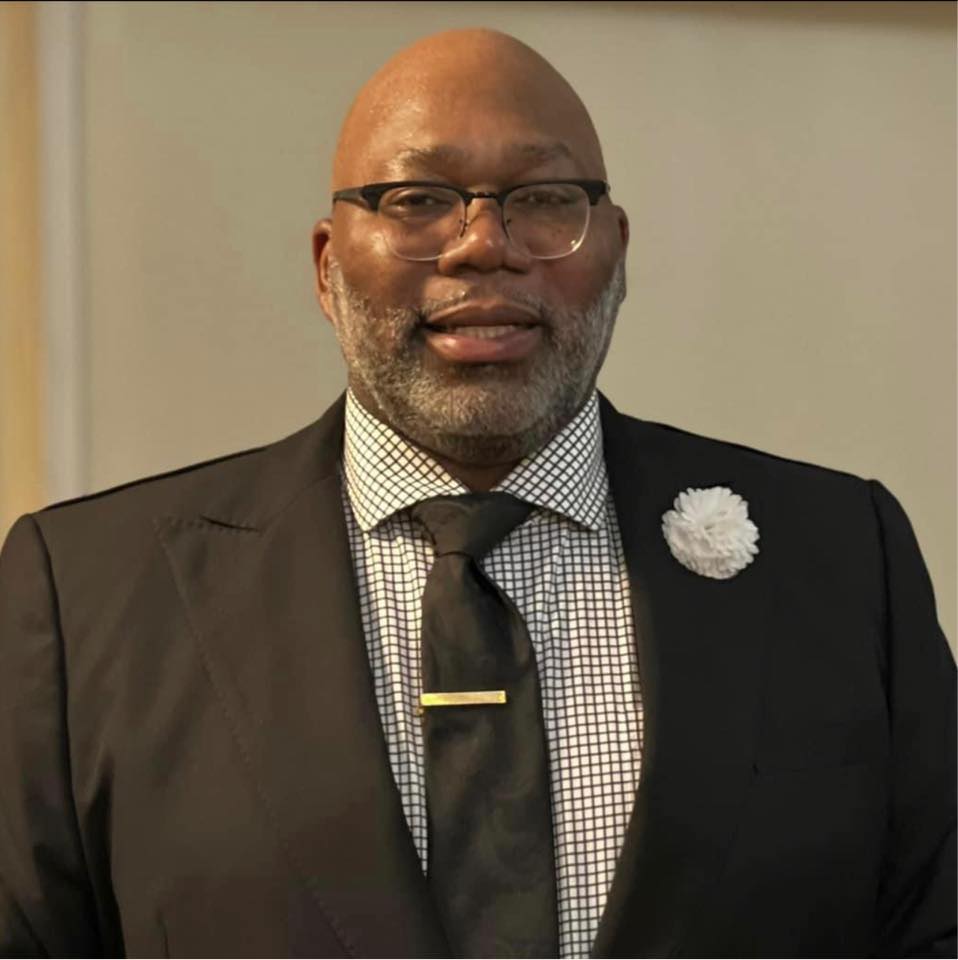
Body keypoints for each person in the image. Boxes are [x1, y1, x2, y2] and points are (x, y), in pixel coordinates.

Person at [0, 27, 953, 959]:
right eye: (417, 199)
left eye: (543, 199)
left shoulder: (840, 556)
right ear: (327, 267)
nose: (484, 245)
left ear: (617, 252)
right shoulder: (86, 597)